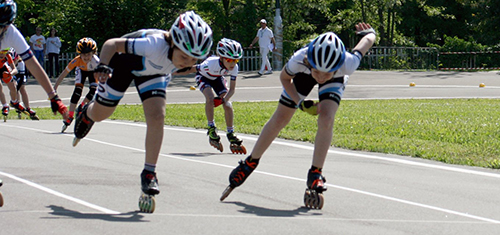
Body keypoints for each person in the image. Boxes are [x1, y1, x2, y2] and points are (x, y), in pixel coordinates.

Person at [221, 23, 377, 209]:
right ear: (309, 61)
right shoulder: (299, 59)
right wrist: (300, 103)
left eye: (325, 73)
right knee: (281, 118)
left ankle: (315, 173)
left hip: (335, 78)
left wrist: (369, 33)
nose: (320, 77)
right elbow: (284, 79)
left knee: (326, 118)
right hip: (303, 74)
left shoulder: (347, 63)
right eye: (317, 71)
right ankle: (250, 162)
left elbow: (367, 41)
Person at [72, 11, 213, 213]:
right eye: (184, 56)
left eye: (194, 59)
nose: (187, 62)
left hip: (153, 71)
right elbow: (111, 44)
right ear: (173, 42)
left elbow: (189, 67)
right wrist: (102, 65)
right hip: (123, 64)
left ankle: (149, 173)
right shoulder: (154, 44)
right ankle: (86, 113)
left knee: (157, 116)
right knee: (102, 114)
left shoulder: (183, 59)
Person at [174, 38, 247, 154]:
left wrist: (223, 100)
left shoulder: (235, 68)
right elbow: (192, 69)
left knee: (228, 104)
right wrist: (171, 71)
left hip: (217, 78)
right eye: (229, 60)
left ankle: (230, 132)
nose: (232, 64)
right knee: (210, 98)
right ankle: (211, 128)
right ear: (221, 57)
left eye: (236, 60)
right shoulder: (210, 64)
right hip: (204, 77)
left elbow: (232, 90)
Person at [0, 0, 67, 119]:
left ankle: (14, 102)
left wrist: (53, 96)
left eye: (1, 26)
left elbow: (33, 64)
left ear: (8, 25)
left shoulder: (12, 34)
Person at [54, 37, 99, 132]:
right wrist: (55, 87)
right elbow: (64, 73)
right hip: (81, 71)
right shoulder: (77, 60)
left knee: (93, 91)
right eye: (83, 55)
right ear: (79, 54)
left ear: (93, 53)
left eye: (89, 55)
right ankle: (70, 115)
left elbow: (105, 73)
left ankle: (82, 106)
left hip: (93, 72)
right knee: (77, 91)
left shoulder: (96, 61)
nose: (86, 57)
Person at [11, 48, 39, 120]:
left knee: (22, 89)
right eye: (12, 61)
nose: (13, 62)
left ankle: (27, 107)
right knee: (14, 87)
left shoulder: (21, 64)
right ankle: (18, 104)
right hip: (13, 73)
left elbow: (21, 78)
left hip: (21, 74)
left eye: (14, 60)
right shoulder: (9, 62)